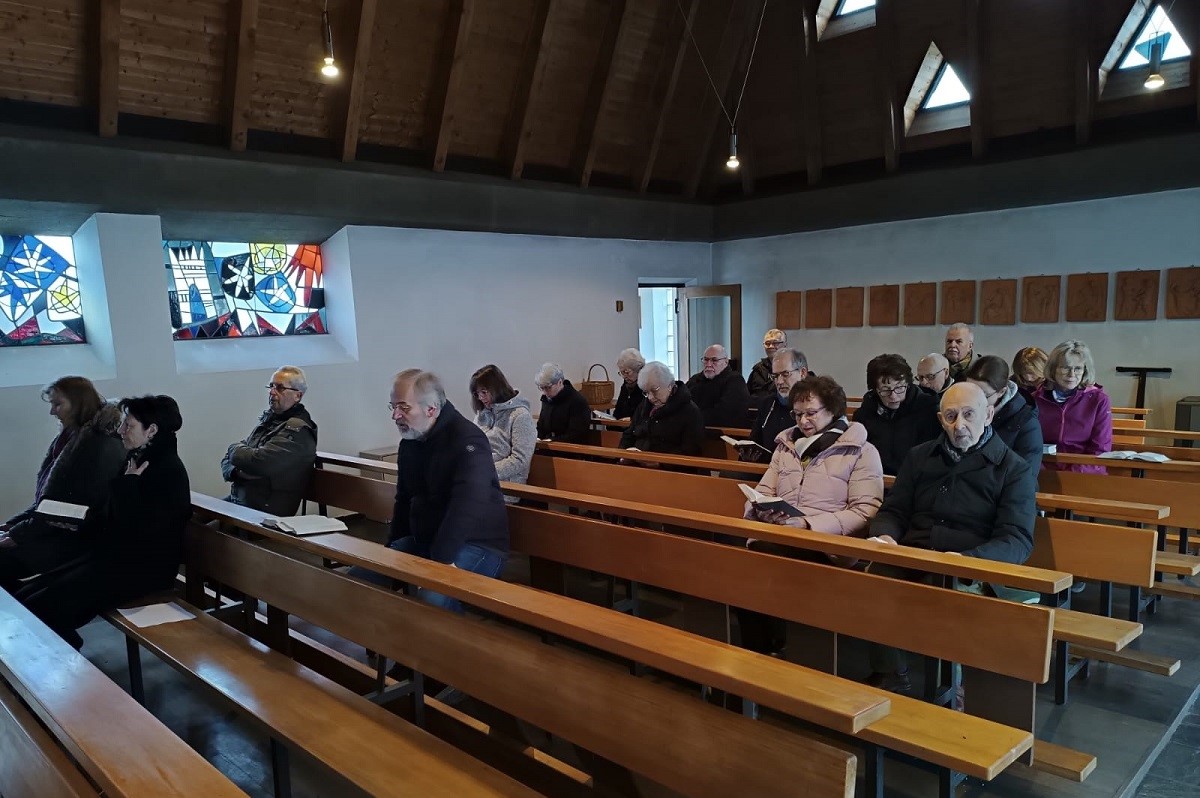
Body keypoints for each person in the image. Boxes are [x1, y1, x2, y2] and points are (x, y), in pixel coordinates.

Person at [865, 382, 1037, 694]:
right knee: (875, 578)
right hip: (916, 555)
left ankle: (954, 688)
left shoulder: (1013, 469)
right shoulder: (919, 457)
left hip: (969, 566)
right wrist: (884, 536)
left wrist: (969, 561)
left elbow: (1017, 539)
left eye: (969, 414)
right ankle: (893, 674)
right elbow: (894, 511)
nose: (960, 425)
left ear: (988, 415)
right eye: (951, 416)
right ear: (940, 419)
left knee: (945, 592)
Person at [15, 395, 191, 649]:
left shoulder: (168, 471)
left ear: (151, 430)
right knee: (26, 597)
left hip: (144, 570)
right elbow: (111, 517)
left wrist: (127, 486)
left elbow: (143, 535)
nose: (120, 431)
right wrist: (79, 522)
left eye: (128, 425)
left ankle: (65, 665)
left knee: (44, 608)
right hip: (114, 559)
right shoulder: (137, 460)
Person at [737, 375, 884, 653]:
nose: (803, 421)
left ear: (833, 410)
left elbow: (865, 511)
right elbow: (763, 489)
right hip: (781, 536)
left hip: (828, 546)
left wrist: (806, 524)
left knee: (754, 572)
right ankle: (759, 657)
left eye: (811, 413)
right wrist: (760, 511)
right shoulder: (786, 447)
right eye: (798, 414)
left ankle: (763, 655)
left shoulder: (861, 451)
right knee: (740, 567)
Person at [350, 370, 508, 613]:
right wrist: (392, 550)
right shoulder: (411, 443)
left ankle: (446, 650)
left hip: (477, 544)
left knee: (433, 600)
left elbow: (466, 507)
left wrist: (441, 561)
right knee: (359, 578)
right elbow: (404, 498)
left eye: (403, 407)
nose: (395, 415)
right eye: (393, 406)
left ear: (431, 409)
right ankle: (387, 640)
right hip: (427, 540)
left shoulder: (467, 440)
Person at [0, 377, 126, 592]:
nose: (52, 412)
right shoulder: (72, 435)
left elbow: (71, 507)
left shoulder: (98, 444)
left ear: (79, 403)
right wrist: (12, 526)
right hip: (55, 532)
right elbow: (48, 500)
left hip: (77, 540)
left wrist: (18, 534)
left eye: (58, 404)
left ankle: (31, 620)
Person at [221, 366, 317, 516]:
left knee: (197, 536)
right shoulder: (270, 420)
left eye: (280, 388)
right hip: (242, 502)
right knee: (189, 518)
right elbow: (228, 459)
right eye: (271, 386)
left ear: (297, 396)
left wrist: (233, 449)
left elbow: (259, 462)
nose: (272, 392)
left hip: (265, 511)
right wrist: (237, 472)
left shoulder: (298, 430)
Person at [853, 354, 941, 476]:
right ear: (875, 390)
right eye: (885, 389)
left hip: (914, 481)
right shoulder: (865, 414)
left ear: (908, 384)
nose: (893, 396)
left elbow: (931, 457)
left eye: (899, 388)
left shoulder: (927, 409)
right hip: (875, 479)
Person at [1034, 340, 1112, 473]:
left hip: (1085, 471)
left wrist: (1070, 474)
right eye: (1065, 367)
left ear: (1084, 371)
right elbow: (1027, 445)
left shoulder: (1099, 400)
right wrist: (1042, 471)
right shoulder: (1034, 399)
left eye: (1078, 369)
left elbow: (1100, 451)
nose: (1072, 374)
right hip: (1042, 471)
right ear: (1053, 369)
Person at [964, 355, 1042, 472]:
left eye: (983, 395)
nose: (974, 401)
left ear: (1002, 392)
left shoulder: (1026, 422)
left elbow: (1025, 475)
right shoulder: (961, 412)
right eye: (969, 392)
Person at [470, 365, 535, 503]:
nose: (481, 397)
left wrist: (486, 471)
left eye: (484, 392)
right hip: (480, 478)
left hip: (507, 485)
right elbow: (472, 443)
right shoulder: (482, 415)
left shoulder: (519, 415)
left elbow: (520, 460)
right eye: (477, 393)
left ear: (497, 388)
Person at [618, 361, 704, 455]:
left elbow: (691, 451)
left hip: (669, 467)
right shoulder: (644, 405)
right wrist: (623, 453)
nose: (650, 397)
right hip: (639, 463)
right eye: (646, 392)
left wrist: (659, 462)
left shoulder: (690, 411)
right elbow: (629, 434)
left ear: (669, 386)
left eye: (654, 390)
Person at [741, 348, 809, 463]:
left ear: (802, 373)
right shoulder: (768, 403)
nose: (779, 381)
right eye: (775, 376)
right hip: (765, 468)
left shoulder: (814, 406)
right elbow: (755, 440)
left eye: (785, 374)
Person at [686, 344, 752, 428]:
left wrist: (691, 417)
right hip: (693, 428)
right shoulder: (695, 380)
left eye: (714, 360)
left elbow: (726, 414)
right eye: (706, 360)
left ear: (726, 362)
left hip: (723, 433)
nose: (709, 364)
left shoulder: (735, 381)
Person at [534, 363, 591, 443]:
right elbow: (541, 427)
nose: (544, 392)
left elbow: (577, 434)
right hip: (548, 447)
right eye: (542, 388)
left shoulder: (577, 401)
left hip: (570, 450)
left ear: (560, 382)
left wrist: (551, 440)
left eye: (548, 387)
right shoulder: (547, 399)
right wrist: (537, 438)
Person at [747, 329, 788, 401]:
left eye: (775, 343)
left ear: (785, 345)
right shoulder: (757, 370)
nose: (771, 346)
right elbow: (748, 395)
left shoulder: (792, 368)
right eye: (767, 343)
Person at [613, 348, 646, 420]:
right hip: (622, 427)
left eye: (627, 372)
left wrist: (631, 419)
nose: (624, 377)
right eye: (622, 373)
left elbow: (647, 415)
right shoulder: (625, 386)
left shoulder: (645, 386)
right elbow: (617, 412)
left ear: (638, 370)